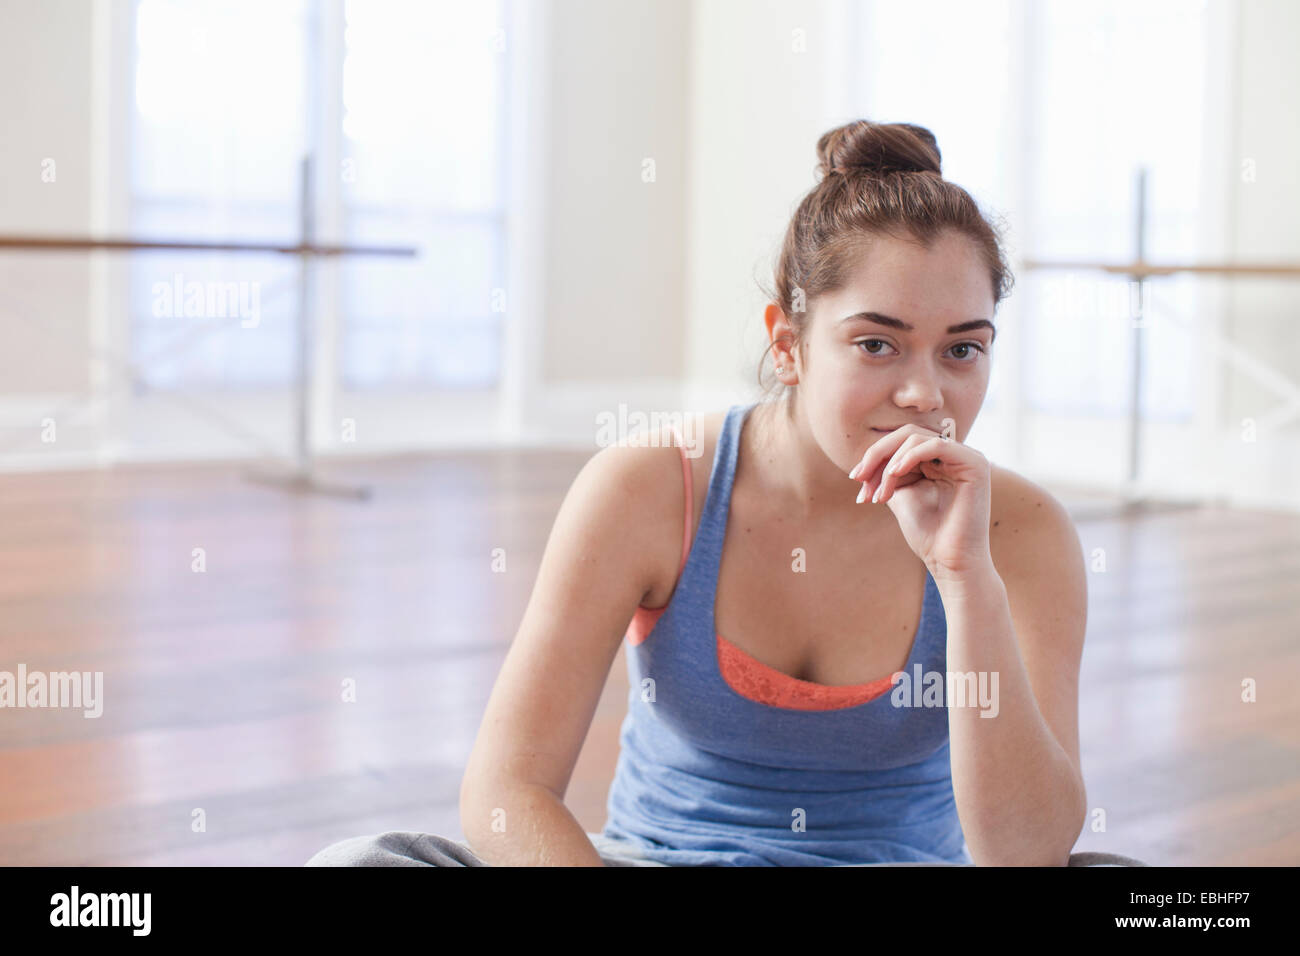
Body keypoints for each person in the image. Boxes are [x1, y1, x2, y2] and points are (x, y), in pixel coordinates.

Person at [305, 119, 1146, 868]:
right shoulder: (648, 486)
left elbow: (1029, 855)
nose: (926, 395)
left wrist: (966, 581)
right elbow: (506, 790)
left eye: (962, 351)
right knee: (362, 864)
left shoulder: (1020, 529)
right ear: (789, 342)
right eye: (877, 345)